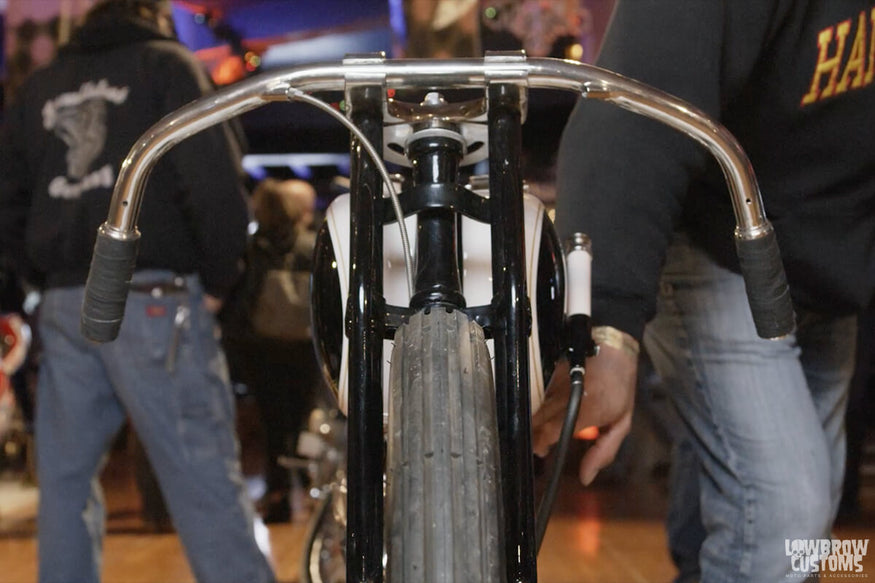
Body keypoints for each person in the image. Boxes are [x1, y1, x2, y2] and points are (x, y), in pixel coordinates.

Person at [533, 1, 875, 582]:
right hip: (719, 246)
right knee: (784, 520)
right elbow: (632, 108)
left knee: (789, 521)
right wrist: (606, 329)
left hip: (830, 262)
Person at [0, 1, 276, 582]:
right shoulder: (166, 65)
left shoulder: (40, 84)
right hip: (152, 294)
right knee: (202, 476)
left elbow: (9, 199)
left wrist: (42, 280)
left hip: (65, 301)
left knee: (65, 487)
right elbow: (213, 181)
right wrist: (221, 279)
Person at [221, 178, 321, 524]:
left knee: (273, 424)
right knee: (303, 418)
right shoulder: (311, 245)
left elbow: (241, 301)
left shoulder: (253, 249)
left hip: (262, 348)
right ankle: (309, 487)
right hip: (304, 346)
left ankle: (278, 495)